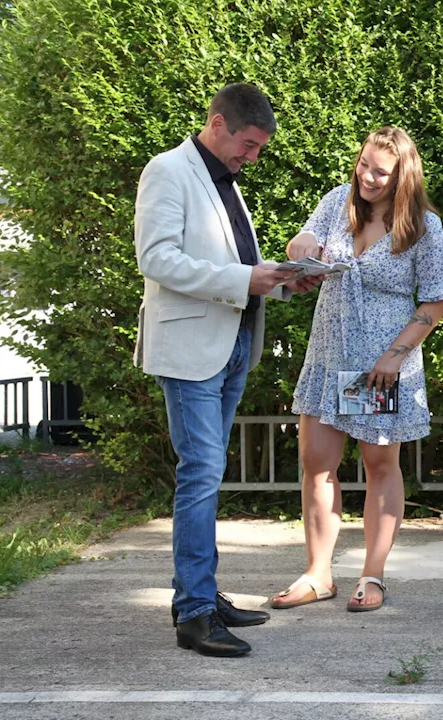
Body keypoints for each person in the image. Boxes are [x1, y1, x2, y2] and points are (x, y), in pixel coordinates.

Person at [135, 83, 317, 657]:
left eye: (259, 148)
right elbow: (157, 259)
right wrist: (246, 279)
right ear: (217, 124)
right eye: (248, 144)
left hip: (232, 343)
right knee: (201, 474)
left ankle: (203, 594)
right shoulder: (167, 171)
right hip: (192, 351)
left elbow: (231, 264)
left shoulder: (222, 181)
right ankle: (193, 613)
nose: (252, 157)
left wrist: (281, 278)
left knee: (206, 475)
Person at [270, 127, 443, 613]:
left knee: (378, 466)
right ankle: (317, 575)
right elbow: (305, 241)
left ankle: (372, 576)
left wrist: (394, 357)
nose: (368, 177)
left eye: (381, 171)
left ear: (403, 176)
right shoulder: (337, 201)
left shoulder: (421, 226)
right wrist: (301, 248)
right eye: (364, 164)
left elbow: (437, 299)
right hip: (328, 355)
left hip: (375, 369)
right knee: (316, 464)